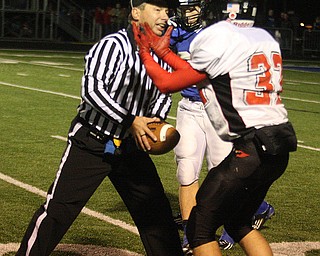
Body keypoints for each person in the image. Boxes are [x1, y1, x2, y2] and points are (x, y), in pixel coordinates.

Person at [15, 0, 184, 255]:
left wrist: (154, 122)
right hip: (93, 142)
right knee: (58, 212)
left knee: (157, 216)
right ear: (136, 13)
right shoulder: (112, 45)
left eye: (167, 11)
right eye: (157, 10)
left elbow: (164, 94)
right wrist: (130, 120)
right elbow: (93, 91)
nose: (164, 17)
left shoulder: (164, 53)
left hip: (131, 146)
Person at [132, 0, 297, 255]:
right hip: (280, 143)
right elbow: (197, 72)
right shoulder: (262, 38)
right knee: (239, 222)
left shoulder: (219, 39)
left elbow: (167, 83)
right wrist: (164, 54)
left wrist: (146, 51)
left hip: (250, 147)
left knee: (198, 228)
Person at [170, 0, 275, 253]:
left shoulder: (220, 31)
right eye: (184, 8)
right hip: (189, 107)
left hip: (218, 111)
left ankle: (241, 219)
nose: (189, 13)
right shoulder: (173, 30)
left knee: (222, 173)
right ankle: (191, 232)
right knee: (187, 170)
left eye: (193, 7)